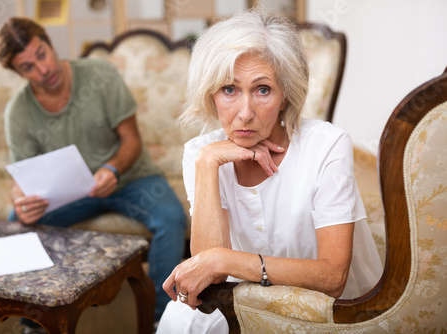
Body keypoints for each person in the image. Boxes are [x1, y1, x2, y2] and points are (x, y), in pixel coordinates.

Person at [157, 9, 382, 333]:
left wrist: (226, 261)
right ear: (211, 94)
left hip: (325, 308)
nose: (245, 113)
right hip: (242, 296)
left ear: (285, 94)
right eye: (229, 90)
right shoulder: (200, 153)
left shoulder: (327, 145)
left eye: (262, 89)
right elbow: (211, 276)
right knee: (179, 319)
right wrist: (208, 164)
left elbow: (332, 278)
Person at [0, 17, 186, 332]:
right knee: (17, 218)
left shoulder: (101, 74)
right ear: (18, 73)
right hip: (69, 194)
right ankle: (33, 321)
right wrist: (21, 200)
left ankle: (161, 318)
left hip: (130, 178)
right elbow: (22, 178)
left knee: (172, 217)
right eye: (27, 66)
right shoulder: (17, 112)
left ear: (50, 44)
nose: (42, 69)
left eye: (41, 54)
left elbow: (132, 140)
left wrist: (111, 169)